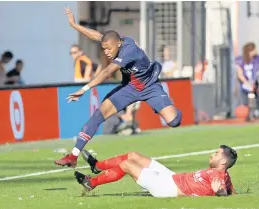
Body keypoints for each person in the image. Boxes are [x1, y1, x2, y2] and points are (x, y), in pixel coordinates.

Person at [54, 8, 182, 168]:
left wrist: (84, 89)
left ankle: (169, 104)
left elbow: (107, 72)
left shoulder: (130, 51)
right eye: (104, 49)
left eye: (109, 49)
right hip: (129, 88)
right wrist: (74, 24)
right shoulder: (114, 41)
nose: (106, 52)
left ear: (119, 44)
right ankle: (73, 156)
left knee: (175, 121)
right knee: (98, 115)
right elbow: (96, 36)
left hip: (150, 87)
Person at [75, 145, 237, 198]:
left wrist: (220, 193)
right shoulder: (223, 174)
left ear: (223, 161)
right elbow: (230, 190)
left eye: (216, 154)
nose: (212, 155)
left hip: (167, 187)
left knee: (127, 164)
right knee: (134, 156)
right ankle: (97, 166)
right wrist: (228, 192)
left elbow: (221, 191)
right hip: (171, 177)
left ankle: (91, 182)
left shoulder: (217, 174)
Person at [235, 42, 259, 121]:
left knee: (256, 101)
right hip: (245, 85)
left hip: (255, 84)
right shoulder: (241, 60)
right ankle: (247, 117)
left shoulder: (257, 59)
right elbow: (240, 74)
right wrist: (248, 84)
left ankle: (255, 114)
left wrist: (255, 84)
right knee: (245, 104)